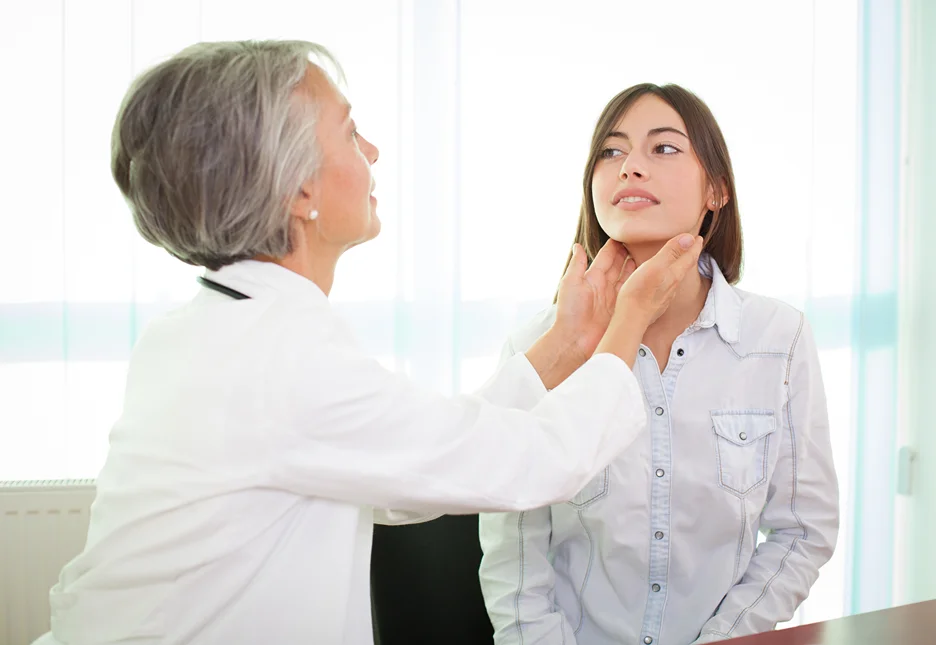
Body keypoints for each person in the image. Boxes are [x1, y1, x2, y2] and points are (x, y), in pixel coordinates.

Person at [30, 43, 704, 645]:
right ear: (300, 188)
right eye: (350, 133)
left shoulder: (212, 329)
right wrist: (629, 320)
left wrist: (566, 343)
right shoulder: (283, 361)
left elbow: (407, 469)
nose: (374, 152)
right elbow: (534, 462)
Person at [478, 84, 839, 645]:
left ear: (715, 189)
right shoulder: (539, 350)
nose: (630, 169)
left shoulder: (778, 339)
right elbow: (514, 555)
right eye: (611, 152)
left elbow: (803, 530)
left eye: (663, 149)